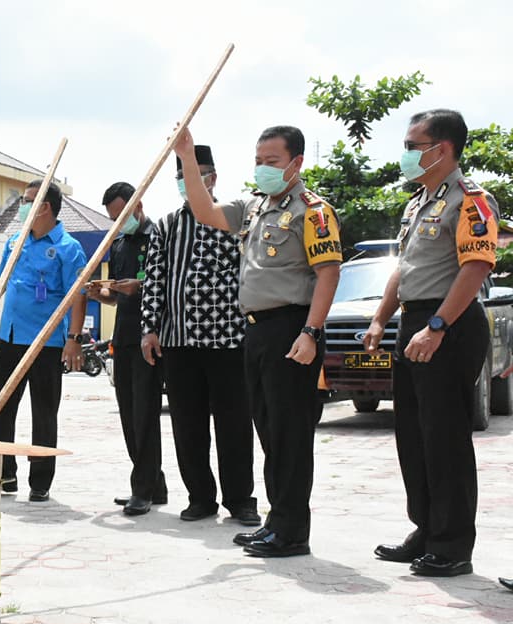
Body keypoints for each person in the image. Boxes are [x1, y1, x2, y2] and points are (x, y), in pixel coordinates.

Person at [174, 126, 341, 557]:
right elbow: (204, 209)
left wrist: (311, 331)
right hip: (258, 330)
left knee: (289, 434)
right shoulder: (253, 208)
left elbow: (328, 273)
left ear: (296, 162)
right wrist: (188, 159)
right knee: (269, 431)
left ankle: (291, 532)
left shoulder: (314, 211)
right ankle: (277, 522)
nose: (263, 168)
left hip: (292, 329)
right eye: (259, 160)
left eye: (272, 161)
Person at [365, 109, 499, 577]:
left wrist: (438, 326)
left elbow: (476, 267)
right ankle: (425, 528)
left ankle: (453, 544)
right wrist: (382, 319)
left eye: (411, 146)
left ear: (441, 149)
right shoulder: (419, 202)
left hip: (451, 323)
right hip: (415, 322)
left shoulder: (472, 201)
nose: (404, 155)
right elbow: (403, 269)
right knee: (414, 436)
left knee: (445, 438)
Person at [139, 148, 259, 526]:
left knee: (233, 423)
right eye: (183, 175)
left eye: (197, 173)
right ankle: (200, 497)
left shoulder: (234, 220)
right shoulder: (166, 225)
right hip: (178, 341)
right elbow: (154, 279)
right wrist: (149, 328)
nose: (188, 181)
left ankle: (240, 500)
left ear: (213, 178)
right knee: (187, 425)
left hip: (226, 339)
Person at [0, 180, 88, 502]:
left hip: (47, 342)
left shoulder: (68, 248)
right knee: (1, 408)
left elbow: (78, 296)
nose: (22, 207)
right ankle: (5, 474)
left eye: (27, 201)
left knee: (44, 412)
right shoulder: (15, 242)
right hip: (11, 337)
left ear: (44, 207)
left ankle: (40, 481)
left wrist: (73, 339)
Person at [87, 181, 167, 516]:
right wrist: (98, 293)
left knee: (145, 414)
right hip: (122, 338)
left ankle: (143, 489)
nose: (119, 222)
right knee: (128, 415)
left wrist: (142, 287)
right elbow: (117, 295)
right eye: (113, 218)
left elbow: (165, 284)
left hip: (150, 338)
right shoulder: (118, 244)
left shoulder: (160, 238)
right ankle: (153, 484)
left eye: (122, 215)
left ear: (138, 205)